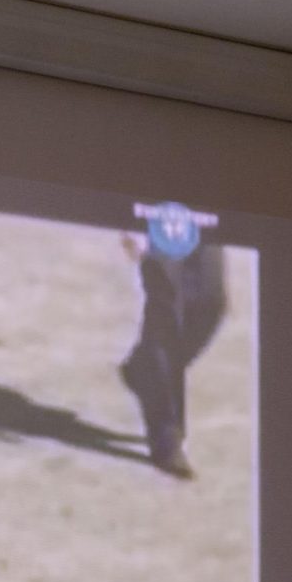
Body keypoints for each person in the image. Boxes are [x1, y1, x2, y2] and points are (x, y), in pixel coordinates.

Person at [119, 203, 226, 479]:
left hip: (205, 207)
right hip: (156, 207)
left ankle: (144, 368)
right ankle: (166, 436)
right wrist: (129, 222)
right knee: (165, 310)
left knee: (211, 303)